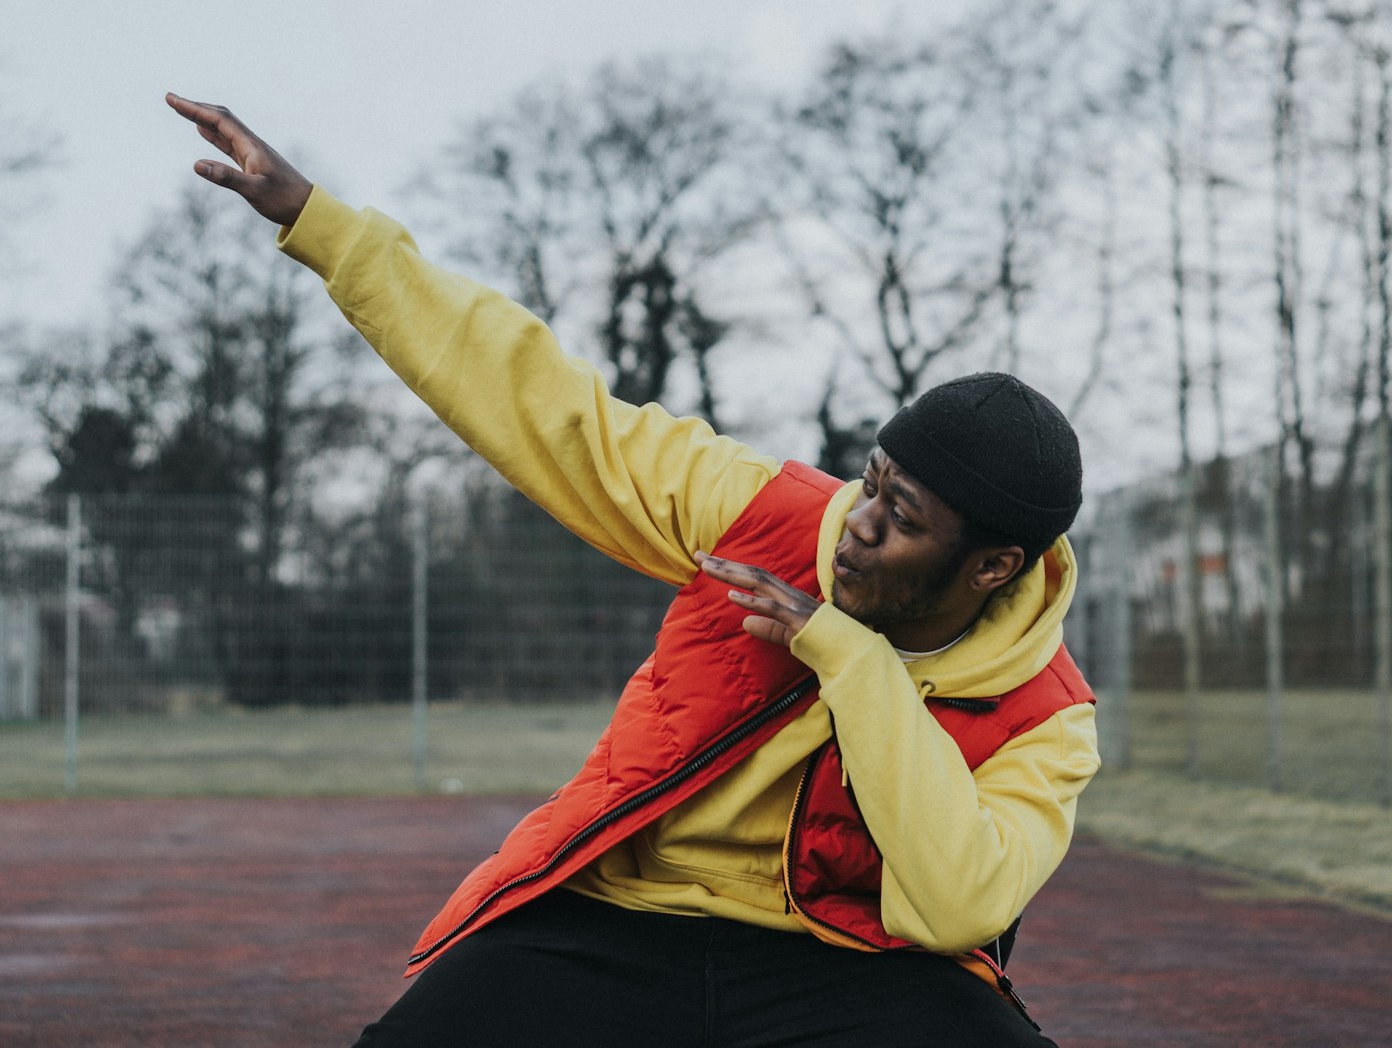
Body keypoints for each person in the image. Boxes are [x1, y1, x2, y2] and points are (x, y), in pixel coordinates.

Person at [167, 92, 1100, 1048]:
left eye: (900, 519)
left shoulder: (1047, 717)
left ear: (992, 566)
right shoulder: (759, 511)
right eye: (870, 484)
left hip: (849, 955)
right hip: (621, 916)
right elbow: (546, 402)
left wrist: (849, 660)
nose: (858, 525)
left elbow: (955, 909)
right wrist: (329, 230)